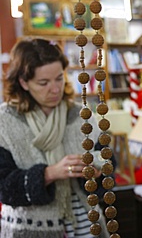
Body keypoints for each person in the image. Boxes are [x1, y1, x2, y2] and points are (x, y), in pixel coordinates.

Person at [0, 38, 111, 238]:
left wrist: (97, 172)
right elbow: (4, 188)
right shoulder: (4, 122)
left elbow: (109, 165)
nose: (54, 88)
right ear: (24, 82)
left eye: (59, 78)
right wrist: (49, 173)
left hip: (87, 226)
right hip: (28, 230)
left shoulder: (81, 115)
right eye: (43, 82)